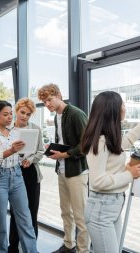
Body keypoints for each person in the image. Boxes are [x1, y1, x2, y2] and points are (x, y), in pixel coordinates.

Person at [81, 91, 140, 253]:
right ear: (112, 110)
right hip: (101, 209)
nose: (125, 108)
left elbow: (124, 143)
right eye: (123, 105)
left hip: (112, 206)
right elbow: (97, 181)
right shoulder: (99, 141)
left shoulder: (107, 138)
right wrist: (129, 174)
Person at [38, 84, 90, 253]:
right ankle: (69, 244)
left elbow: (86, 145)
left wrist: (64, 155)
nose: (47, 104)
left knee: (80, 216)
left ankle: (83, 250)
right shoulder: (56, 117)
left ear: (59, 95)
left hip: (77, 172)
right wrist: (54, 149)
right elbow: (65, 141)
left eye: (49, 100)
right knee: (65, 212)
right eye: (44, 102)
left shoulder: (76, 114)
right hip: (62, 170)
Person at [0, 100, 38, 253]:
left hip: (17, 176)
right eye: (5, 114)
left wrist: (24, 154)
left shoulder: (14, 132)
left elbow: (17, 157)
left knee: (25, 220)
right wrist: (11, 150)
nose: (9, 117)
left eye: (11, 113)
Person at [8, 98, 44, 253]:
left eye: (28, 114)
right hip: (14, 171)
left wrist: (30, 159)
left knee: (32, 210)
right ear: (16, 111)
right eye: (22, 112)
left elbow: (41, 151)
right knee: (16, 210)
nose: (24, 116)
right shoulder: (8, 129)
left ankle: (31, 246)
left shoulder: (35, 128)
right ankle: (13, 246)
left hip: (30, 173)